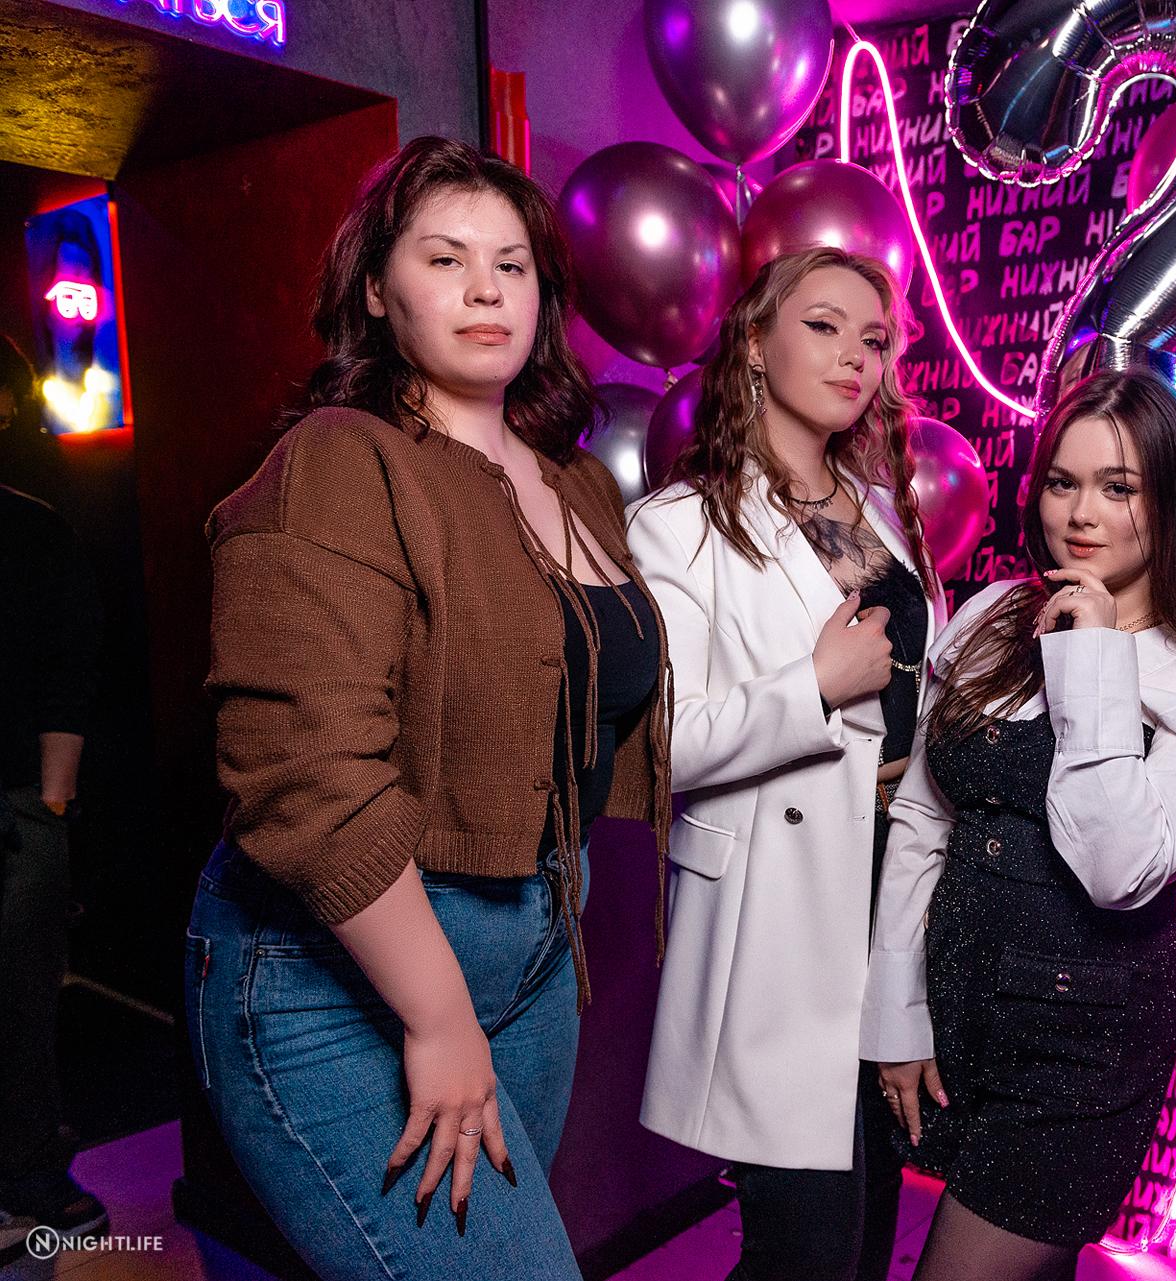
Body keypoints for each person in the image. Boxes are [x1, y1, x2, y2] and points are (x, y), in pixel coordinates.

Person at [183, 135, 671, 1281]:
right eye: (445, 259)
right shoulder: (339, 461)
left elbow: (577, 704)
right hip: (339, 963)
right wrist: (439, 1015)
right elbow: (304, 775)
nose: (486, 288)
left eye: (512, 264)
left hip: (536, 943)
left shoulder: (575, 482)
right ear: (374, 288)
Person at [860, 370, 1176, 1281]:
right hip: (959, 1011)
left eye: (1118, 486)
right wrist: (896, 1012)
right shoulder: (991, 614)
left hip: (1082, 1048)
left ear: (1172, 501)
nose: (1081, 513)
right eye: (1063, 481)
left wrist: (1092, 655)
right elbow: (925, 818)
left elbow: (1117, 867)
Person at [627, 246, 940, 1281]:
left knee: (867, 1226)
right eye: (823, 325)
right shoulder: (680, 525)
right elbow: (664, 742)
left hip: (889, 888)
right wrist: (813, 688)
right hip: (779, 915)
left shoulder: (880, 511)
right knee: (804, 1249)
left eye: (874, 339)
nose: (855, 356)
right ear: (756, 343)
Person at [0, 474, 105, 1259]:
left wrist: (52, 805)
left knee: (20, 1000)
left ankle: (29, 1166)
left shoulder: (31, 529)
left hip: (16, 802)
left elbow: (69, 669)